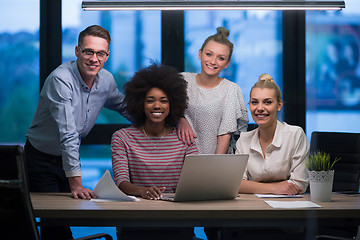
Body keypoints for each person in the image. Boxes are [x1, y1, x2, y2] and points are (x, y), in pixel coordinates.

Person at [25, 25, 128, 239]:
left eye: (101, 53)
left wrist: (161, 121)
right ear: (77, 51)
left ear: (107, 55)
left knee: (69, 217)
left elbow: (124, 106)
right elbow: (68, 133)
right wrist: (76, 184)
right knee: (55, 224)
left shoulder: (106, 80)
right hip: (40, 159)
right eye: (88, 51)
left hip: (66, 158)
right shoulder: (60, 80)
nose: (94, 59)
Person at [111, 63, 198, 239]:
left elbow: (193, 182)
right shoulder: (122, 138)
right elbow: (121, 183)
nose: (157, 105)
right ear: (140, 103)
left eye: (163, 100)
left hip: (178, 220)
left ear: (173, 103)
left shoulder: (185, 138)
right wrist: (142, 190)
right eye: (150, 100)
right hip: (135, 221)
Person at [177, 27, 248, 154]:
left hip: (214, 159)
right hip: (179, 157)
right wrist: (180, 119)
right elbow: (162, 108)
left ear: (227, 63)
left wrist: (215, 167)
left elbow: (225, 133)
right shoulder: (182, 80)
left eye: (221, 58)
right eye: (209, 54)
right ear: (200, 53)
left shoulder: (230, 89)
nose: (213, 61)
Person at [236, 73, 309, 195]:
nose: (259, 108)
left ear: (279, 105)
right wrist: (276, 188)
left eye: (267, 102)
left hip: (289, 209)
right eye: (254, 102)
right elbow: (236, 184)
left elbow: (299, 184)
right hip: (252, 207)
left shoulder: (295, 135)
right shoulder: (243, 140)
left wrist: (251, 186)